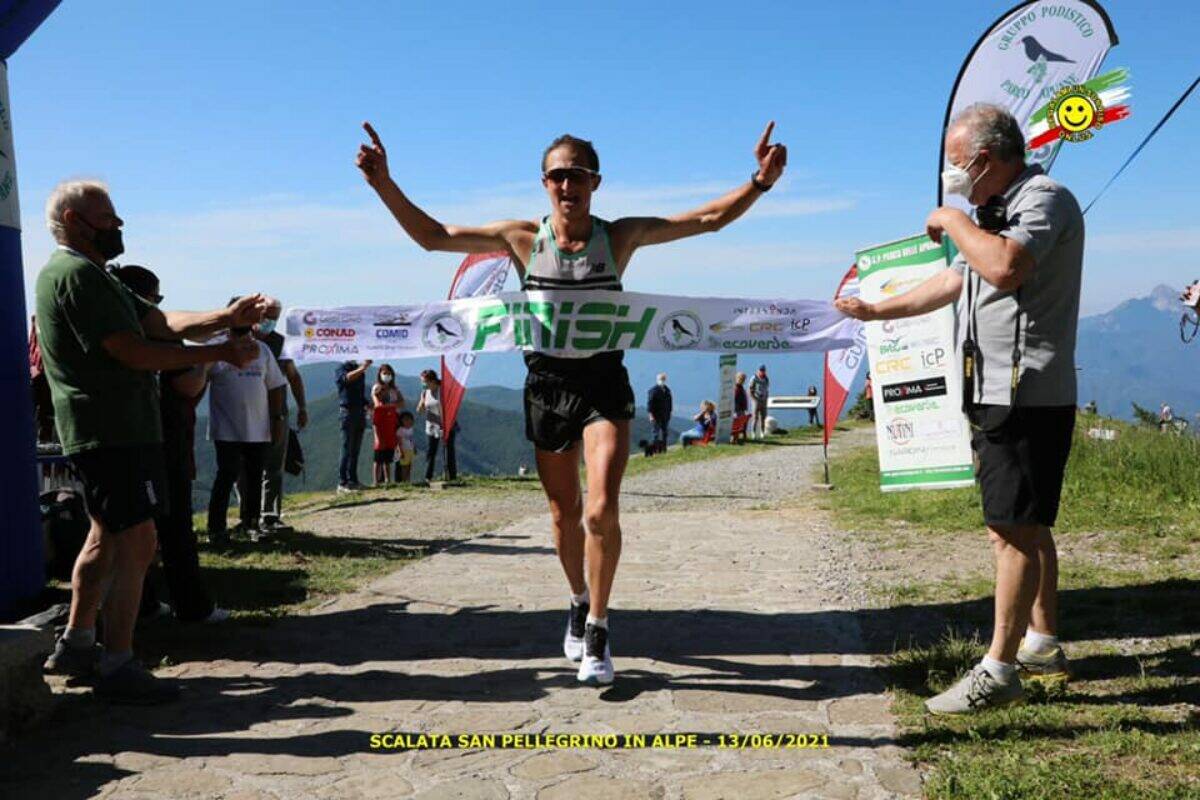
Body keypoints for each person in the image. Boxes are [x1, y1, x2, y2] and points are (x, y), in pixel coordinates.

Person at [356, 117, 787, 684]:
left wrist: (759, 183)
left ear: (596, 182)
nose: (567, 185)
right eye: (557, 176)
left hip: (604, 382)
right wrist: (384, 182)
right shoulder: (520, 239)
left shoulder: (620, 236)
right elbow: (433, 235)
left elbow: (705, 221)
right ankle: (579, 599)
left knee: (599, 508)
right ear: (544, 184)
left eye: (577, 174)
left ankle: (601, 631)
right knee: (563, 516)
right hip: (546, 386)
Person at [837, 103, 1083, 714]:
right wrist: (876, 311)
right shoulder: (992, 213)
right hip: (995, 387)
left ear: (985, 158)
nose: (951, 173)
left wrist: (951, 216)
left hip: (1022, 390)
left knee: (1010, 532)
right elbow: (957, 282)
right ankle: (1043, 642)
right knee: (1028, 520)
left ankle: (998, 670)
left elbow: (1002, 267)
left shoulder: (1043, 198)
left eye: (955, 163)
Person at [36, 180, 262, 703]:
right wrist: (218, 355)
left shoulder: (97, 276)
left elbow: (161, 322)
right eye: (108, 217)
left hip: (109, 430)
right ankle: (117, 662)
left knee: (105, 536)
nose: (118, 226)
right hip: (111, 430)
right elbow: (133, 352)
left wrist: (227, 319)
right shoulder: (75, 275)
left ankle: (76, 641)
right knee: (139, 543)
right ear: (73, 220)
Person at [112, 265, 229, 624]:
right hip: (164, 440)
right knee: (175, 528)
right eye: (157, 298)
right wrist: (209, 359)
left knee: (128, 529)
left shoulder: (111, 330)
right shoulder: (159, 335)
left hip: (120, 440)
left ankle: (143, 604)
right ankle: (193, 606)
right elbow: (187, 386)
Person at [206, 322, 287, 543]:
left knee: (254, 476)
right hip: (226, 428)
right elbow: (200, 380)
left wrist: (277, 419)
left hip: (258, 427)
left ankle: (251, 524)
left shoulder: (262, 349)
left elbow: (275, 385)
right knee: (226, 475)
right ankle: (216, 528)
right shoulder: (215, 347)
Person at [252, 298, 308, 533]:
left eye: (275, 317)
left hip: (278, 412)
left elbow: (293, 376)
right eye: (267, 316)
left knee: (274, 465)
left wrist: (302, 407)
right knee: (245, 467)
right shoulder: (240, 339)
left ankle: (270, 515)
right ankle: (249, 515)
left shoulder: (281, 342)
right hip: (248, 412)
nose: (270, 322)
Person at [335, 359, 372, 491]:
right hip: (347, 413)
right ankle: (342, 482)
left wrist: (367, 403)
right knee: (347, 447)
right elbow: (346, 379)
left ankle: (353, 480)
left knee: (355, 449)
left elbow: (359, 393)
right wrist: (362, 368)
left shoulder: (360, 371)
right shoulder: (341, 368)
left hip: (360, 412)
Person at [416, 369, 457, 483]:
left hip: (446, 424)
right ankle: (428, 477)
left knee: (448, 450)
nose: (423, 384)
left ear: (432, 381)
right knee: (431, 451)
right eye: (422, 382)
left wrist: (445, 424)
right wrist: (422, 402)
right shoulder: (425, 392)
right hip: (432, 425)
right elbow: (420, 409)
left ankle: (451, 476)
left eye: (424, 381)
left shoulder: (442, 391)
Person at [372, 364, 404, 485]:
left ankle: (391, 479)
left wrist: (391, 405)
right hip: (380, 423)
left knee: (392, 451)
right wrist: (392, 405)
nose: (387, 376)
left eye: (389, 373)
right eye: (384, 373)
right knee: (379, 451)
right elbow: (377, 405)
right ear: (379, 374)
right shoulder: (377, 387)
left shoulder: (395, 389)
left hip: (393, 422)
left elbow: (402, 403)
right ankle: (377, 480)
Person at [646, 372, 673, 455]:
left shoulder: (667, 390)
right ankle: (655, 450)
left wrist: (670, 412)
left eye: (663, 379)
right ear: (657, 380)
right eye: (661, 379)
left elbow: (670, 402)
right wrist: (650, 415)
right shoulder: (653, 391)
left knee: (665, 432)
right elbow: (650, 404)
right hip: (656, 415)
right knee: (656, 433)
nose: (662, 380)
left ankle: (664, 450)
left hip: (665, 415)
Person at [748, 364, 770, 439]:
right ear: (758, 371)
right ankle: (753, 433)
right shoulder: (754, 378)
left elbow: (767, 389)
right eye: (761, 370)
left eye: (763, 371)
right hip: (756, 400)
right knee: (755, 417)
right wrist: (753, 398)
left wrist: (766, 398)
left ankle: (762, 432)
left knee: (763, 417)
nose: (762, 372)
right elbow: (750, 389)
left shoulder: (766, 378)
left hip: (763, 400)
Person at [395, 410, 416, 484]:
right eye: (406, 420)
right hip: (404, 450)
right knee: (404, 467)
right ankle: (403, 481)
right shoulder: (400, 430)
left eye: (410, 419)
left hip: (410, 450)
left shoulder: (411, 430)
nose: (408, 421)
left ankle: (408, 480)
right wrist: (401, 451)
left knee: (409, 466)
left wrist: (414, 448)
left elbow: (411, 440)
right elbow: (399, 442)